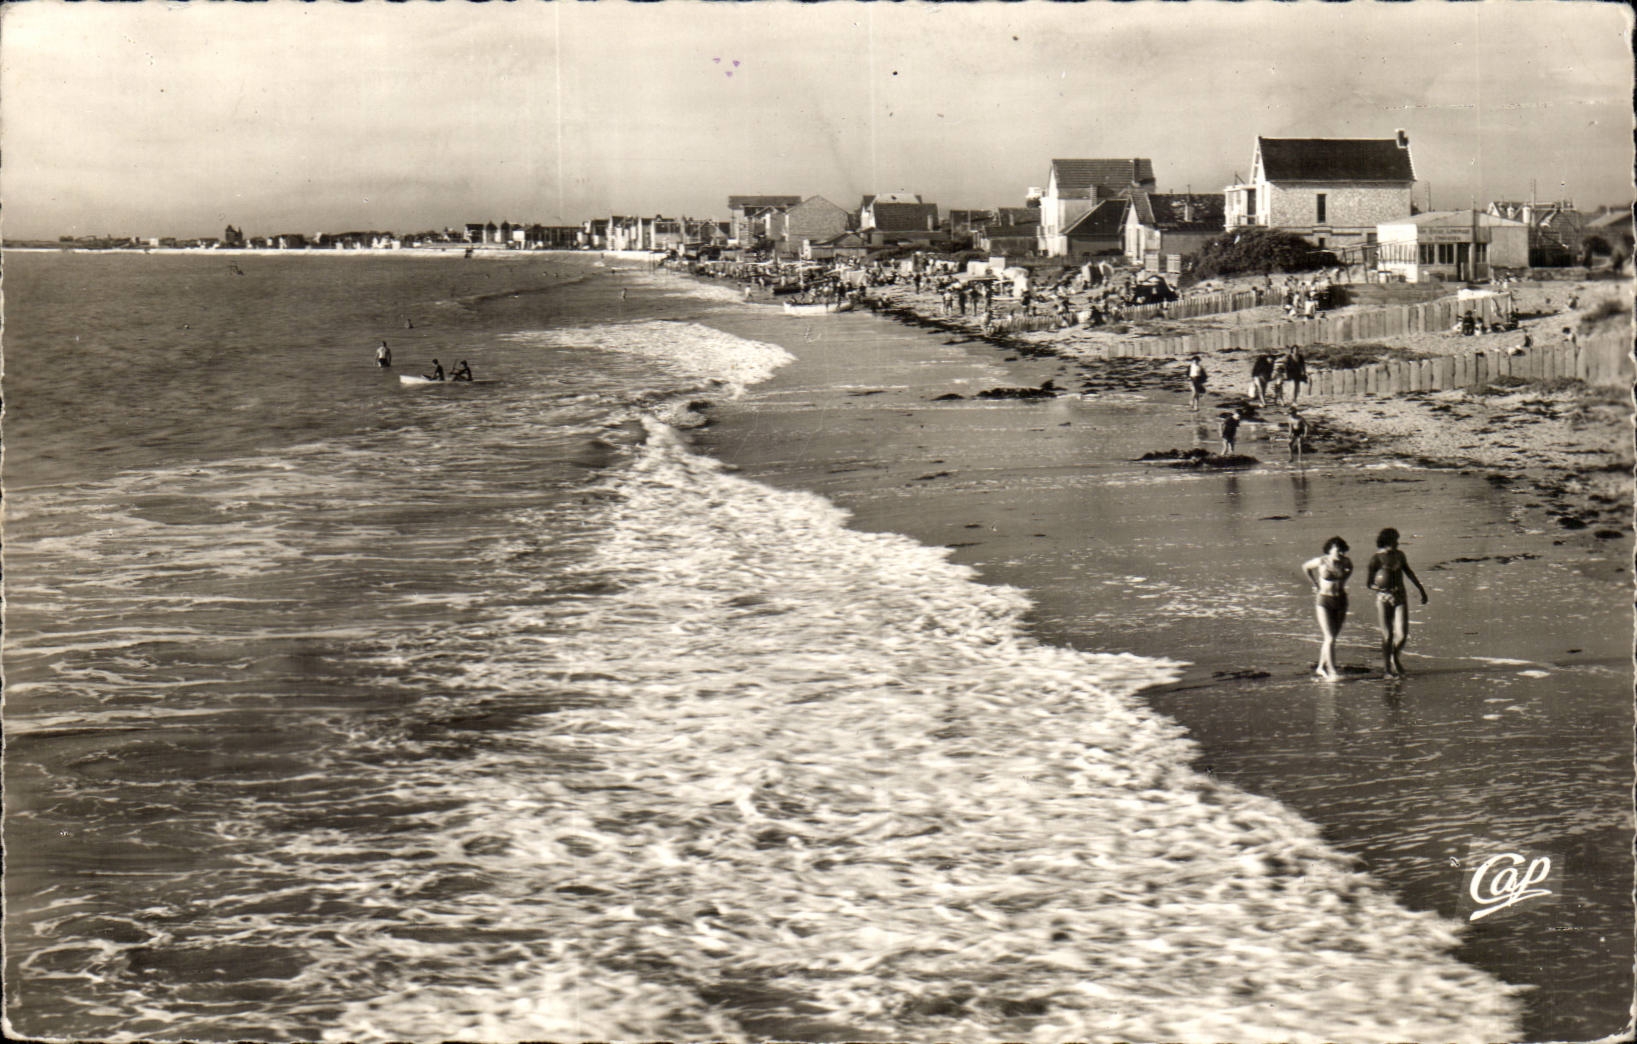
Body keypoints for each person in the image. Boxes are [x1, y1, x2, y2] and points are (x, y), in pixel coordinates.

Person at [1366, 527, 1428, 677]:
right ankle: (1387, 669)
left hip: (1400, 595)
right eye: (1394, 541)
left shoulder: (1400, 555)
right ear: (1387, 542)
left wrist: (1421, 589)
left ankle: (1394, 656)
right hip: (1383, 598)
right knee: (1387, 635)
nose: (1397, 544)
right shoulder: (1376, 559)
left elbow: (1409, 572)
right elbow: (1369, 583)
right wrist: (1381, 587)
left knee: (1402, 635)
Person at [1304, 537, 1353, 680]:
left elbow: (1349, 571)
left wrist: (1343, 580)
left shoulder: (1346, 562)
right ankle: (1332, 672)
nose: (1339, 553)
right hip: (1324, 600)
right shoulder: (1321, 561)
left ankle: (1320, 667)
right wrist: (1314, 583)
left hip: (1341, 599)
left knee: (1332, 638)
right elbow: (1306, 567)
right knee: (1330, 637)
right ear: (1329, 550)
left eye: (1341, 550)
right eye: (1336, 549)